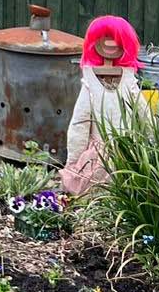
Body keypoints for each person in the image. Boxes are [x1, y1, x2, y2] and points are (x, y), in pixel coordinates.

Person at [61, 15, 150, 195]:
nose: (110, 43)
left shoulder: (128, 81)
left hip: (125, 150)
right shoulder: (90, 84)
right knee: (98, 192)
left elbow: (145, 118)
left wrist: (151, 145)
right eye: (105, 37)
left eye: (116, 38)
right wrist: (74, 160)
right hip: (102, 155)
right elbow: (80, 124)